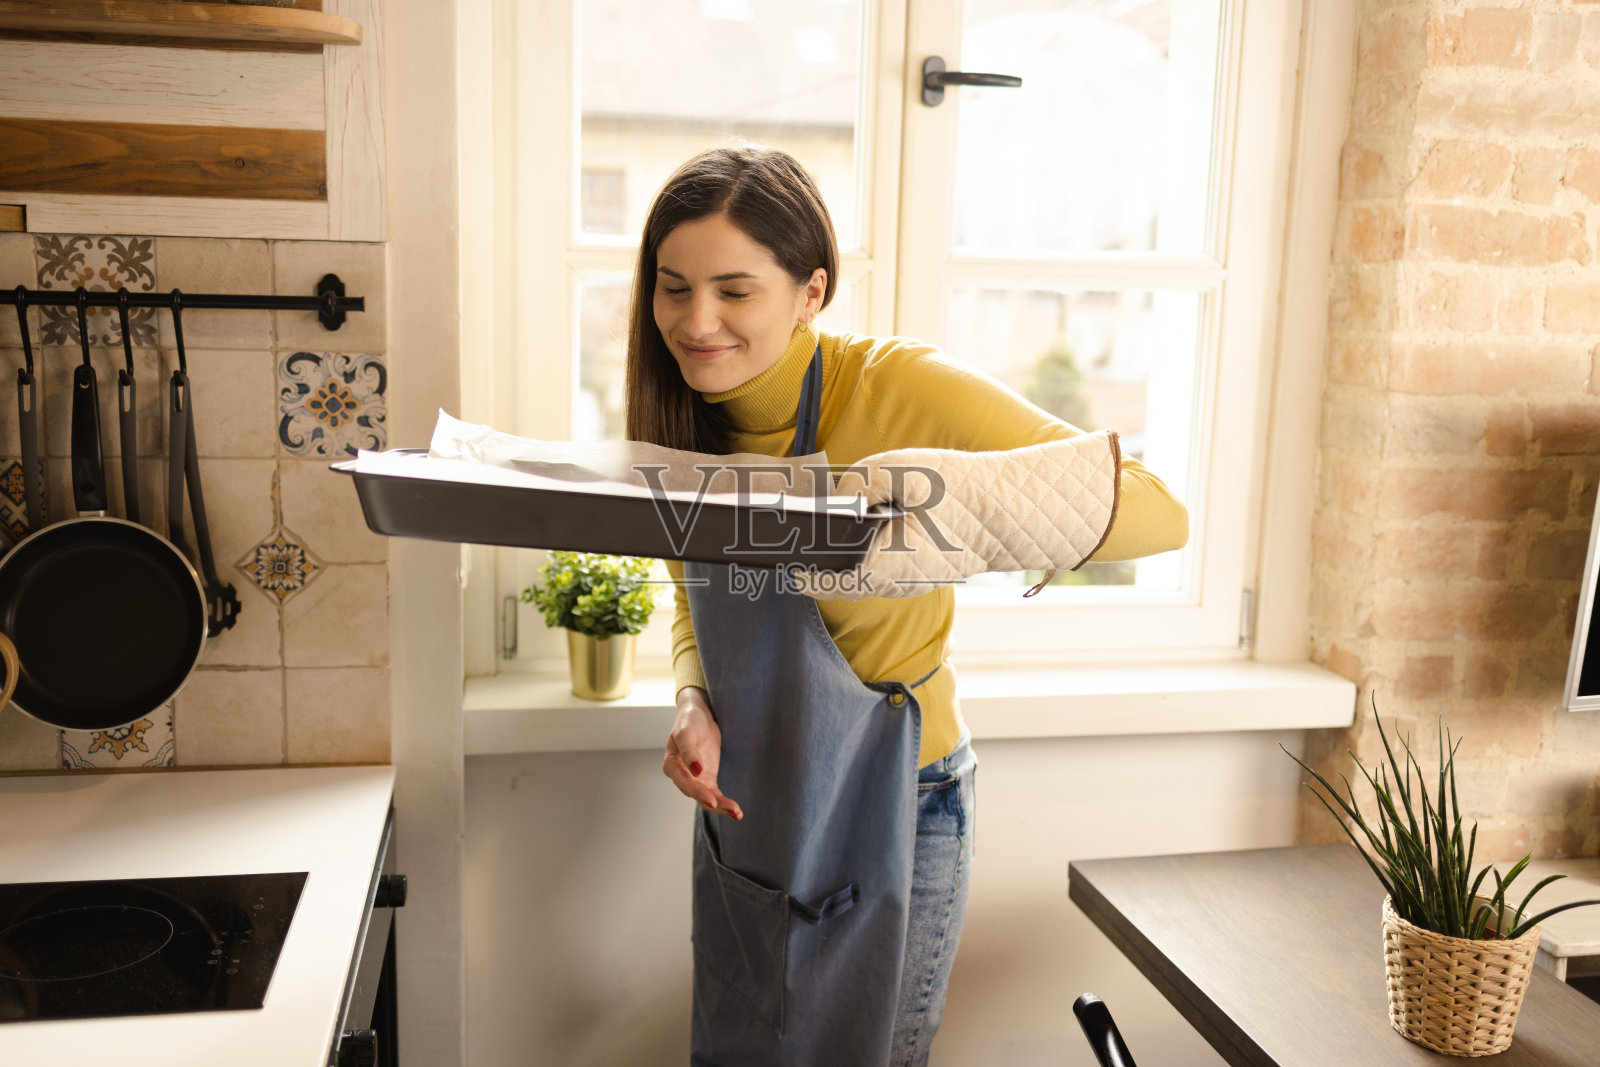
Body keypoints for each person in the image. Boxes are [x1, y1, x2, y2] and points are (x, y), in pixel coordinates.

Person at [624, 145, 1188, 1067]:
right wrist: (692, 698)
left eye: (735, 290)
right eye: (673, 288)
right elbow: (697, 588)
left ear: (810, 290)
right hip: (753, 801)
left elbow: (1161, 512)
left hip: (900, 798)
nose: (697, 322)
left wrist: (920, 503)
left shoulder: (897, 388)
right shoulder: (683, 412)